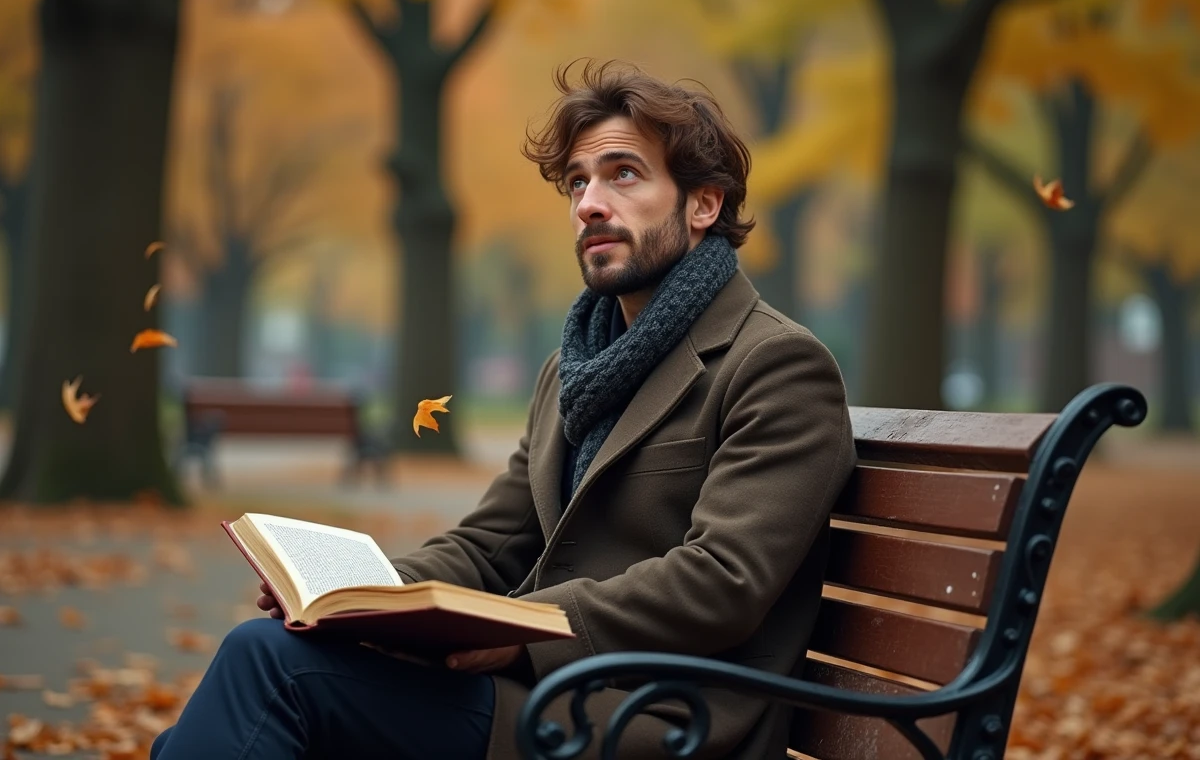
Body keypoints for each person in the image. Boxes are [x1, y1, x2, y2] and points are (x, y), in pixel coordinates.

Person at [150, 59, 856, 760]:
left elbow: (724, 579)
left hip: (660, 717)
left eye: (623, 174)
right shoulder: (575, 368)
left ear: (703, 205)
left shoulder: (774, 365)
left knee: (268, 672)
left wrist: (525, 630)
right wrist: (366, 595)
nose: (589, 204)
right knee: (252, 679)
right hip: (551, 691)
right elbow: (491, 546)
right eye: (578, 182)